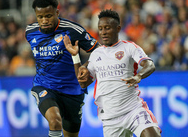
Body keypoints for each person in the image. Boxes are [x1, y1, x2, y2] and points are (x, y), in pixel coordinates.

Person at [64, 9, 161, 137]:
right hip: (111, 119)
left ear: (118, 28)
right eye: (100, 28)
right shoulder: (96, 54)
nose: (103, 32)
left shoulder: (130, 47)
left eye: (107, 28)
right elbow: (82, 83)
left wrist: (139, 76)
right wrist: (75, 57)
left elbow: (150, 64)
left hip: (133, 110)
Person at [25, 0, 99, 137]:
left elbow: (100, 51)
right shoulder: (30, 32)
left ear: (57, 13)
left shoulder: (72, 30)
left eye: (48, 16)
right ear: (36, 15)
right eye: (40, 17)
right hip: (45, 86)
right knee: (55, 121)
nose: (44, 21)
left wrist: (85, 66)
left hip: (73, 91)